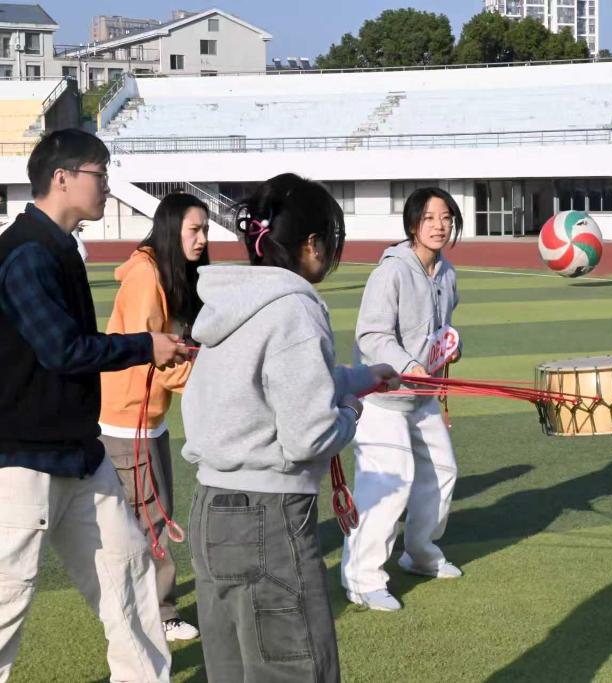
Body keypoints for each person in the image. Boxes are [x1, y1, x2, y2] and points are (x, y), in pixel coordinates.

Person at [181, 173, 398, 681]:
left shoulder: (233, 302)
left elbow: (283, 383)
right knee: (296, 669)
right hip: (269, 515)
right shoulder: (295, 309)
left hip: (211, 507)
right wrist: (351, 413)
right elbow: (309, 435)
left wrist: (362, 377)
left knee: (233, 670)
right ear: (311, 244)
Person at [0, 129, 187, 682]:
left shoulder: (57, 247)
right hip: (23, 460)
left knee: (128, 572)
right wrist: (144, 346)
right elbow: (62, 350)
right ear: (62, 178)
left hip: (81, 454)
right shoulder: (26, 254)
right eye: (99, 174)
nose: (106, 185)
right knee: (8, 598)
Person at [341, 187, 464, 612]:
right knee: (388, 485)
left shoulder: (447, 274)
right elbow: (372, 335)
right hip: (380, 397)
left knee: (443, 473)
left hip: (421, 396)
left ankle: (420, 553)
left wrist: (449, 349)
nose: (439, 226)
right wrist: (408, 364)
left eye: (446, 218)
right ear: (412, 224)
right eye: (429, 218)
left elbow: (440, 330)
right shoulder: (391, 272)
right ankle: (362, 579)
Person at [99, 193, 210, 642]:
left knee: (151, 515)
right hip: (129, 418)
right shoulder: (146, 276)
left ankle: (148, 607)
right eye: (194, 230)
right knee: (151, 519)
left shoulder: (164, 271)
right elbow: (152, 354)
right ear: (170, 230)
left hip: (147, 416)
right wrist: (211, 383)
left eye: (205, 230)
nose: (202, 239)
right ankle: (158, 613)